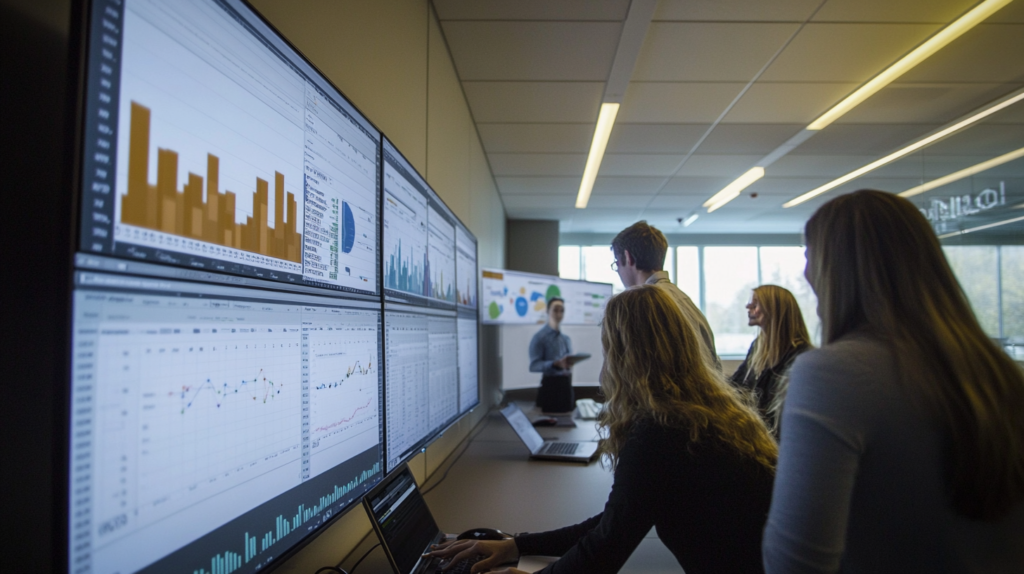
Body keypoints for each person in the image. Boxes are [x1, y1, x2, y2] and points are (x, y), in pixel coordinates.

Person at [763, 190, 1024, 573]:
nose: (805, 273)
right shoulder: (1000, 374)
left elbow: (794, 564)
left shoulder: (832, 374)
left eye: (809, 255)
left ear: (834, 269)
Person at [431, 286, 778, 574]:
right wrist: (518, 545)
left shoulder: (660, 433)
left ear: (627, 355)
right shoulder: (699, 415)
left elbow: (606, 549)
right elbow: (616, 520)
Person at [611, 221, 721, 371]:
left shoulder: (644, 305)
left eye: (617, 264)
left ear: (628, 257)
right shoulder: (682, 299)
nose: (618, 272)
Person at [729, 285, 812, 435]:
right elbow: (735, 387)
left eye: (756, 302)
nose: (748, 306)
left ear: (775, 310)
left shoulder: (802, 357)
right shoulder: (758, 347)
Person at [528, 297, 576, 412]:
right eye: (555, 310)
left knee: (568, 422)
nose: (559, 314)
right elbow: (534, 365)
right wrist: (554, 364)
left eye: (562, 310)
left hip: (566, 387)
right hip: (550, 388)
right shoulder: (539, 337)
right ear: (548, 311)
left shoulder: (566, 339)